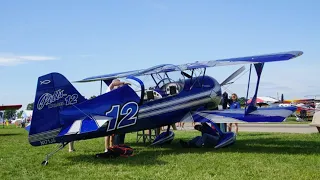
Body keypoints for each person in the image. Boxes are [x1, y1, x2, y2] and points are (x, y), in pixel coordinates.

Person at [105, 79, 130, 152]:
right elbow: (113, 83)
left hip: (115, 113)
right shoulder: (110, 88)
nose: (119, 85)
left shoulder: (117, 93)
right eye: (118, 84)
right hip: (108, 113)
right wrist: (123, 82)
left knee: (113, 133)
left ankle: (112, 147)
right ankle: (106, 149)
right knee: (107, 134)